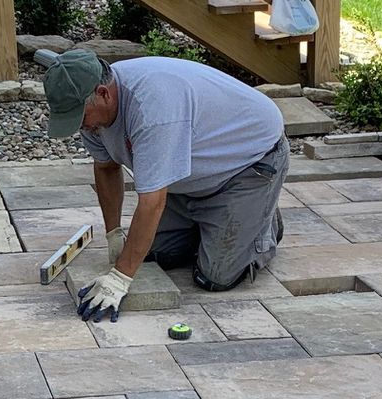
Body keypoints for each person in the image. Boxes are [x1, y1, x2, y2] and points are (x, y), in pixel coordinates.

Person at [40, 49, 287, 322]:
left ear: (103, 94)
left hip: (248, 167)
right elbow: (106, 168)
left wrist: (120, 279)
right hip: (188, 180)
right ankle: (217, 221)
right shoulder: (94, 118)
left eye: (80, 117)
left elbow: (152, 202)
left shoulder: (152, 110)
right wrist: (114, 236)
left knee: (215, 276)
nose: (81, 127)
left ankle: (261, 222)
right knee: (149, 253)